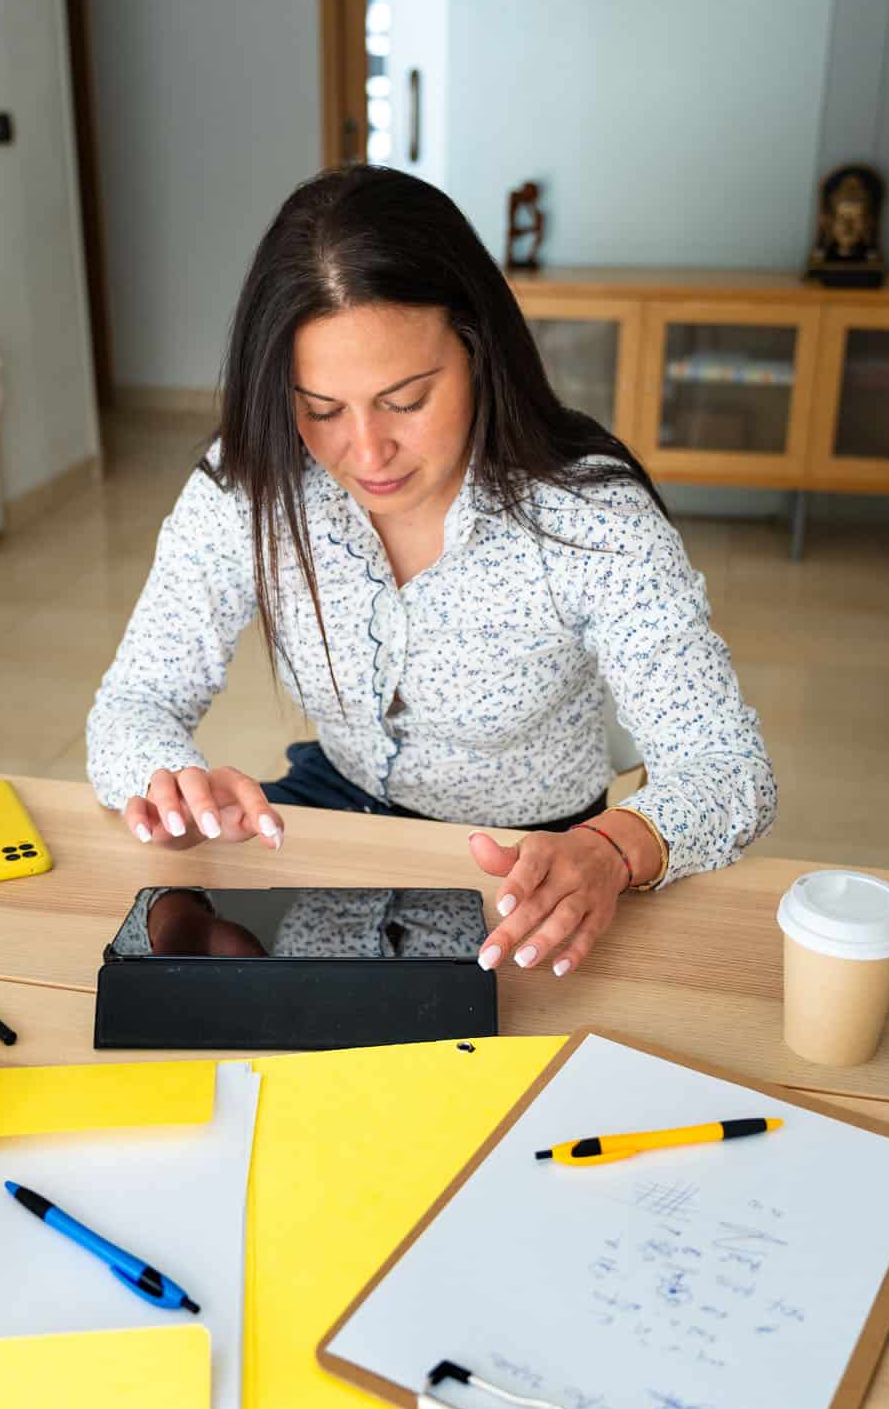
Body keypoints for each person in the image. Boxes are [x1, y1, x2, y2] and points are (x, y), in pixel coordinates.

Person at [87, 167, 776, 980]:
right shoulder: (253, 478)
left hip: (530, 854)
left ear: (479, 351)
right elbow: (135, 702)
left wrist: (615, 847)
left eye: (406, 400)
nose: (367, 454)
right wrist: (174, 784)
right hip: (328, 813)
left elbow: (727, 768)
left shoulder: (588, 516)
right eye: (321, 409)